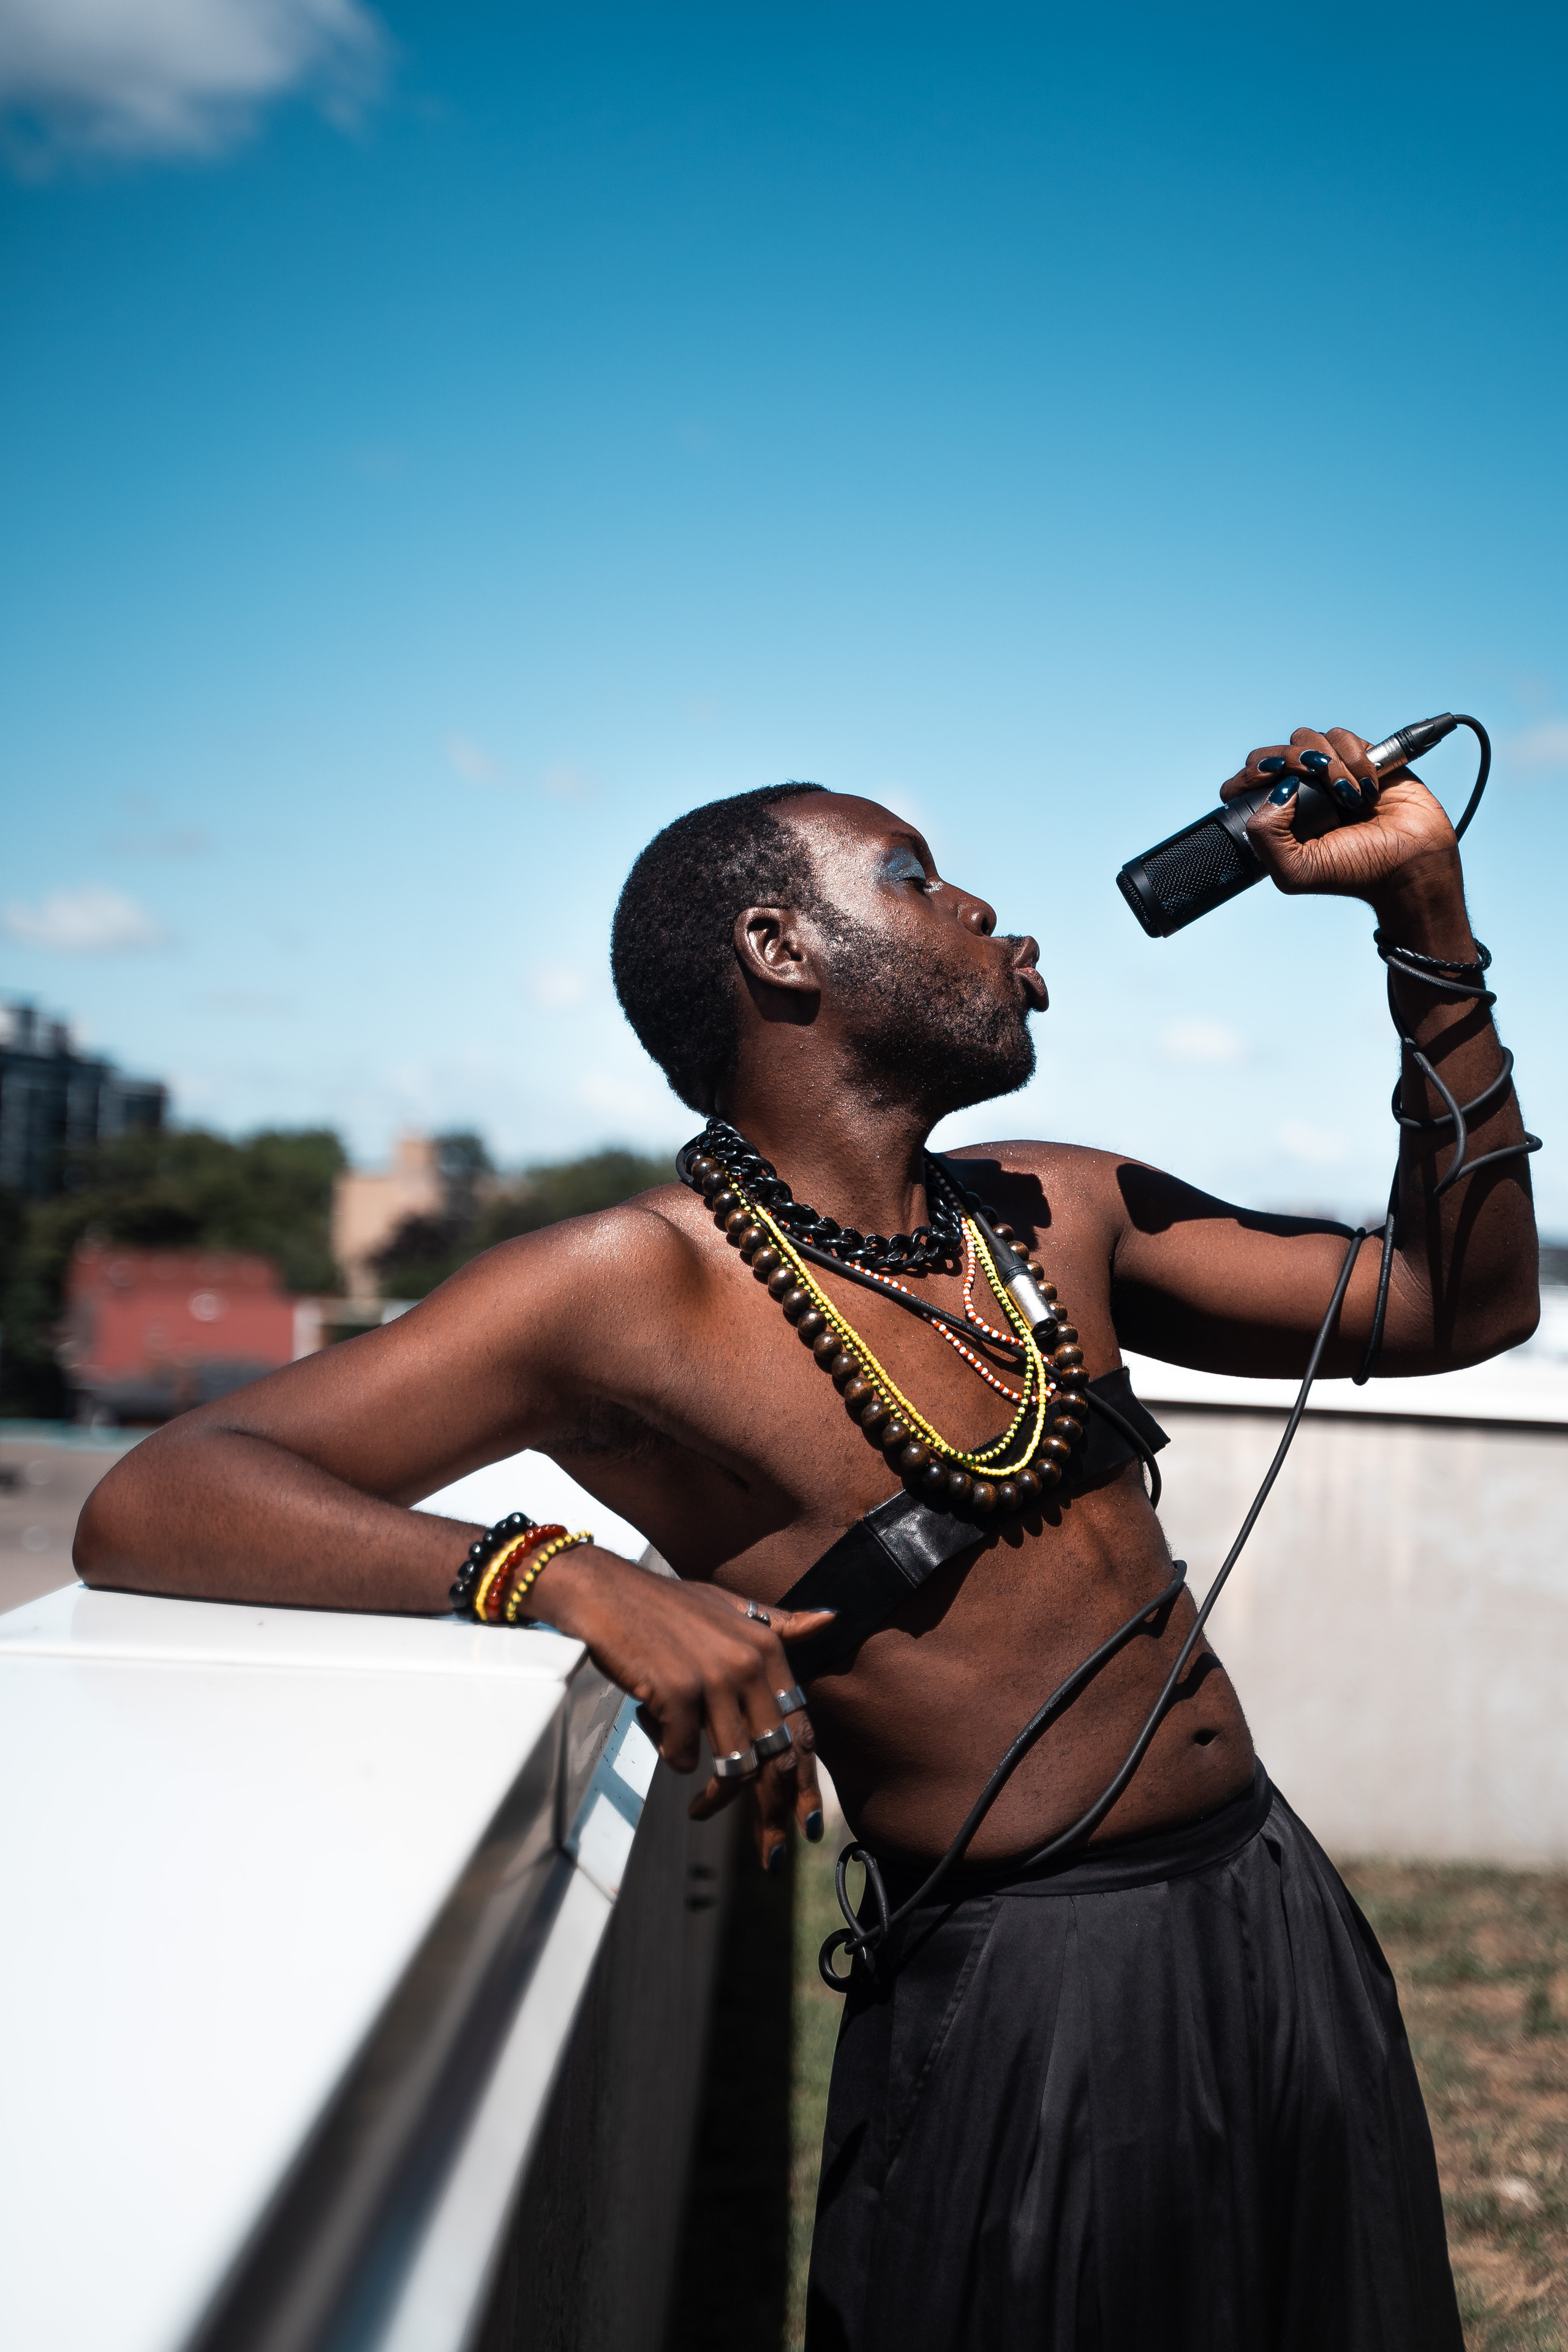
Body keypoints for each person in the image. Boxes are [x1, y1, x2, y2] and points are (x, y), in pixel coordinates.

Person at [78, 724, 1537, 2350]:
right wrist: (557, 1574)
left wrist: (1425, 921)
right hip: (1021, 1998)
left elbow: (1453, 1305)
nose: (989, 910)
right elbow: (161, 1494)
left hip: (1274, 1906)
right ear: (780, 951)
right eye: (916, 878)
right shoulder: (627, 1287)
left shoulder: (1062, 1208)